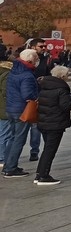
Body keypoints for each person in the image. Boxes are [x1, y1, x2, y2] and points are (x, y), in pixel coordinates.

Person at [35, 65, 71, 185]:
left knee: (47, 148)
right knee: (50, 149)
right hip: (56, 123)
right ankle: (44, 175)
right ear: (63, 76)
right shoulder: (61, 88)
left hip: (44, 121)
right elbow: (65, 106)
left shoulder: (45, 85)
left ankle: (39, 173)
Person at [2, 49, 40, 178]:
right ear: (30, 60)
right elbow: (27, 94)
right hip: (22, 110)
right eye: (36, 59)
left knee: (12, 138)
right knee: (19, 139)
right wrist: (36, 97)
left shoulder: (14, 71)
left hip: (11, 109)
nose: (37, 61)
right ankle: (11, 168)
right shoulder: (27, 75)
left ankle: (8, 165)